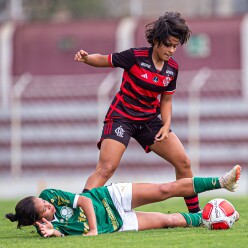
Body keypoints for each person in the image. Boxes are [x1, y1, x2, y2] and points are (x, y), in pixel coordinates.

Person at [74, 12, 201, 213]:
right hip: (121, 118)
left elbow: (166, 100)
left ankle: (196, 215)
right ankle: (78, 212)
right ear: (157, 40)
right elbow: (105, 60)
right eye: (168, 44)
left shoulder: (172, 69)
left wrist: (166, 125)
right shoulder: (135, 56)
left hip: (149, 120)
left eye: (175, 45)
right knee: (106, 169)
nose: (171, 50)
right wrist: (87, 58)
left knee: (184, 162)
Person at [6, 165, 241, 237]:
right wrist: (54, 232)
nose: (48, 205)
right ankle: (211, 218)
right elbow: (59, 233)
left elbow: (86, 202)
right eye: (44, 210)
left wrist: (94, 230)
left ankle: (220, 182)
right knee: (168, 220)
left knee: (164, 189)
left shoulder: (49, 195)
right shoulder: (48, 228)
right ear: (38, 220)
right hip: (118, 223)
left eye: (43, 202)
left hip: (109, 198)